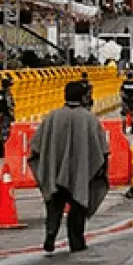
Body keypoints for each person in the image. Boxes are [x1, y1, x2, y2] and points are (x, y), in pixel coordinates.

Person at [30, 82, 110, 254]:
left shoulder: (52, 117)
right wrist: (101, 169)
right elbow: (102, 149)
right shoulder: (89, 119)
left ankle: (51, 233)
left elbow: (35, 146)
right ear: (82, 97)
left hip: (55, 171)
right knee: (78, 206)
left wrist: (46, 164)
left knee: (54, 204)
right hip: (80, 173)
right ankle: (76, 241)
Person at [0, 75, 16, 159]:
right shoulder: (5, 93)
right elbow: (8, 105)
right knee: (4, 132)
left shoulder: (3, 93)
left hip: (3, 115)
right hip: (5, 115)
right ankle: (3, 151)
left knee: (3, 132)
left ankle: (3, 151)